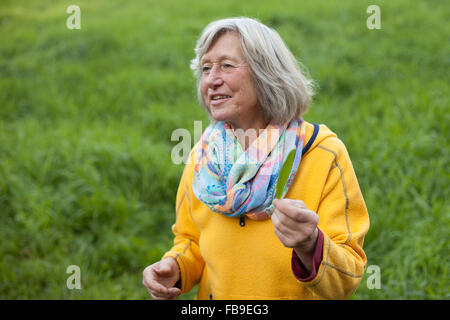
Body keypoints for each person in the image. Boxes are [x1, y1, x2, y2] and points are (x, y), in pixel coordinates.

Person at [142, 17, 370, 300]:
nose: (212, 80)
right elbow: (191, 240)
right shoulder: (202, 158)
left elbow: (347, 279)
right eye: (205, 68)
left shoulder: (323, 154)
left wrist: (311, 244)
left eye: (226, 65)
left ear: (267, 73)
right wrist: (175, 267)